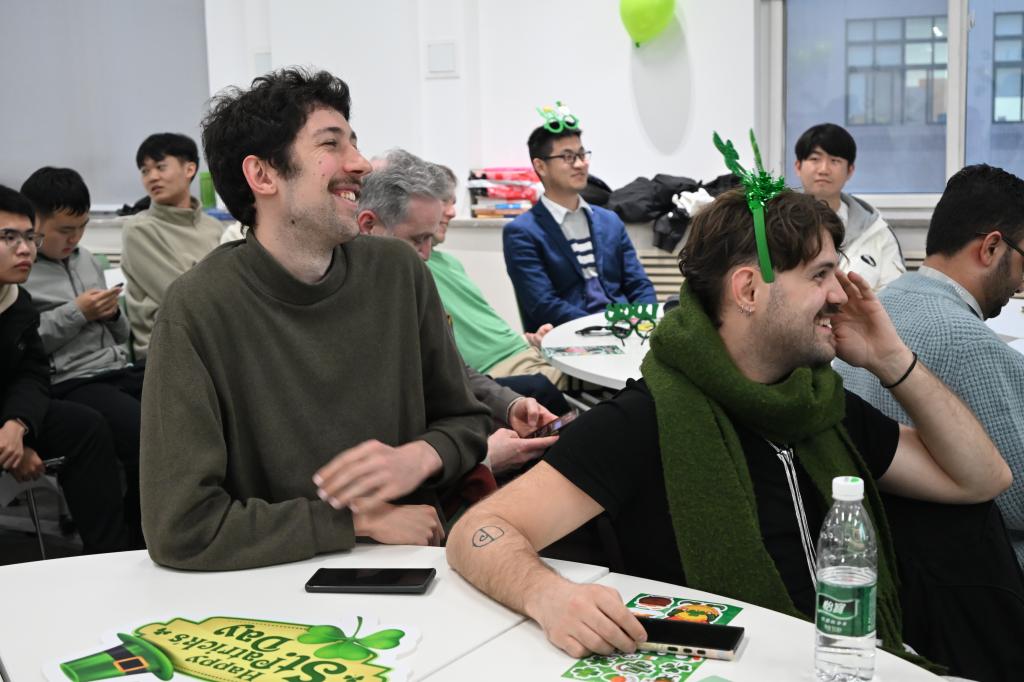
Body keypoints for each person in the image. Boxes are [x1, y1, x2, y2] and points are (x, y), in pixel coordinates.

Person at [448, 186, 1013, 674]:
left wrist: (892, 360)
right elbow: (479, 531)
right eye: (820, 275)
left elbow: (981, 480)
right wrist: (548, 596)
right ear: (747, 290)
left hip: (847, 662)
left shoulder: (818, 405)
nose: (841, 294)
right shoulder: (648, 419)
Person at [139, 68, 492, 571]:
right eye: (331, 144)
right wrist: (353, 522)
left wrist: (419, 457)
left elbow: (467, 420)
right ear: (263, 176)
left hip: (414, 563)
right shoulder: (198, 308)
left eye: (355, 142)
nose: (361, 164)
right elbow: (181, 526)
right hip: (273, 580)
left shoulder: (397, 272)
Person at [837, 163, 1024, 566]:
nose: (1021, 283)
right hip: (965, 574)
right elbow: (1018, 503)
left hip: (875, 553)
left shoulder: (872, 313)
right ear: (991, 248)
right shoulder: (972, 345)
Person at [357, 149, 562, 476]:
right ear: (368, 225)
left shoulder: (410, 282)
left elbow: (451, 369)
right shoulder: (352, 304)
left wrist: (510, 405)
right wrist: (482, 458)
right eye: (418, 239)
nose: (426, 254)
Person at [0, 184, 134, 554]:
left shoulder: (17, 300)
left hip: (17, 411)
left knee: (87, 427)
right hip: (71, 381)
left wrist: (17, 425)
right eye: (9, 237)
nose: (25, 249)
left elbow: (31, 372)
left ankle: (115, 554)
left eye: (29, 237)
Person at [503, 110, 656, 332]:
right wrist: (606, 327)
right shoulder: (522, 232)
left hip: (627, 330)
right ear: (540, 166)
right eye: (567, 157)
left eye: (582, 154)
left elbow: (639, 284)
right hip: (572, 335)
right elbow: (543, 304)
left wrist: (645, 321)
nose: (580, 164)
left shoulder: (609, 221)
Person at [428, 164, 565, 388]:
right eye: (443, 201)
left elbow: (480, 329)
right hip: (498, 371)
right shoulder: (408, 267)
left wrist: (527, 339)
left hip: (525, 353)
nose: (452, 212)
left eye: (453, 202)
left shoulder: (449, 262)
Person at [120, 132, 224, 359]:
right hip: (167, 350)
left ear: (189, 169)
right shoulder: (139, 230)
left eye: (160, 167)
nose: (152, 177)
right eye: (145, 171)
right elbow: (183, 295)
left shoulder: (214, 228)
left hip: (217, 339)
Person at [794, 123, 905, 290]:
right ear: (798, 166)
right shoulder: (778, 224)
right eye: (815, 159)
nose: (824, 169)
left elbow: (895, 294)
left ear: (850, 170)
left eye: (835, 161)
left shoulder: (876, 231)